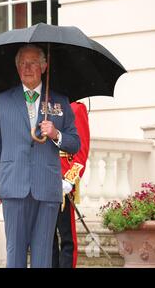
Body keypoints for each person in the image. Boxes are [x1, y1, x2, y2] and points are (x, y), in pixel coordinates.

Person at [0, 44, 80, 268]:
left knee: (43, 255)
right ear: (17, 67)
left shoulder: (60, 102)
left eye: (33, 63)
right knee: (15, 252)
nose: (27, 68)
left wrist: (56, 133)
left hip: (47, 187)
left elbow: (75, 143)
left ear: (44, 66)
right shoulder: (2, 100)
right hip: (13, 185)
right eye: (22, 63)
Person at [52, 101, 90, 268]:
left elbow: (81, 151)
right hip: (44, 178)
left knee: (67, 238)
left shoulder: (76, 107)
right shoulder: (44, 107)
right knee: (47, 237)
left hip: (64, 182)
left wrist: (69, 179)